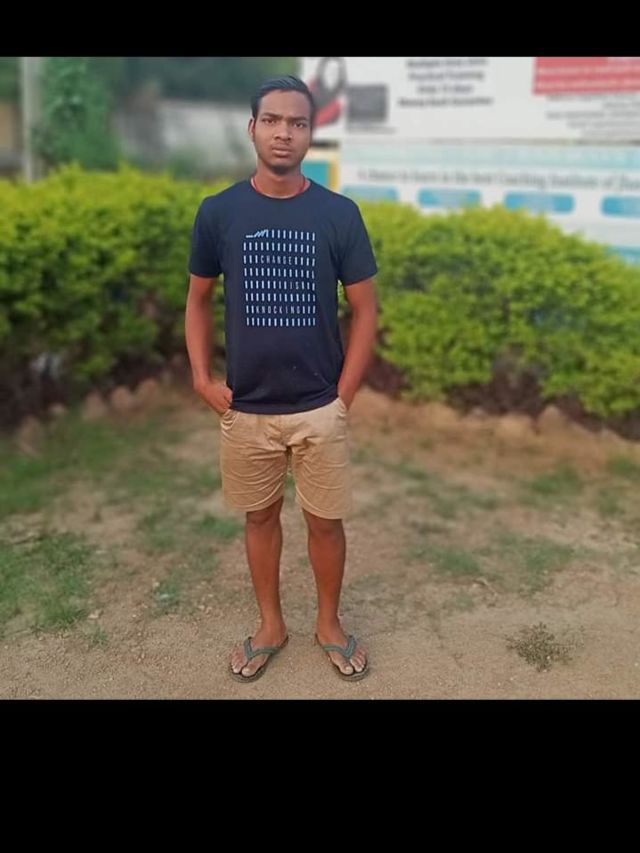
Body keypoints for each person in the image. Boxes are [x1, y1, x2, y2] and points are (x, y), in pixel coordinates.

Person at [185, 75, 378, 683]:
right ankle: (271, 624)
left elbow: (366, 311)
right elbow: (197, 300)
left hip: (319, 405)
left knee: (325, 522)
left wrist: (343, 397)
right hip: (246, 408)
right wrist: (202, 379)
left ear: (310, 133)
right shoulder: (218, 213)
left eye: (297, 123)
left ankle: (329, 623)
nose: (283, 133)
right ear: (252, 128)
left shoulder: (339, 214)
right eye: (271, 120)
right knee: (260, 518)